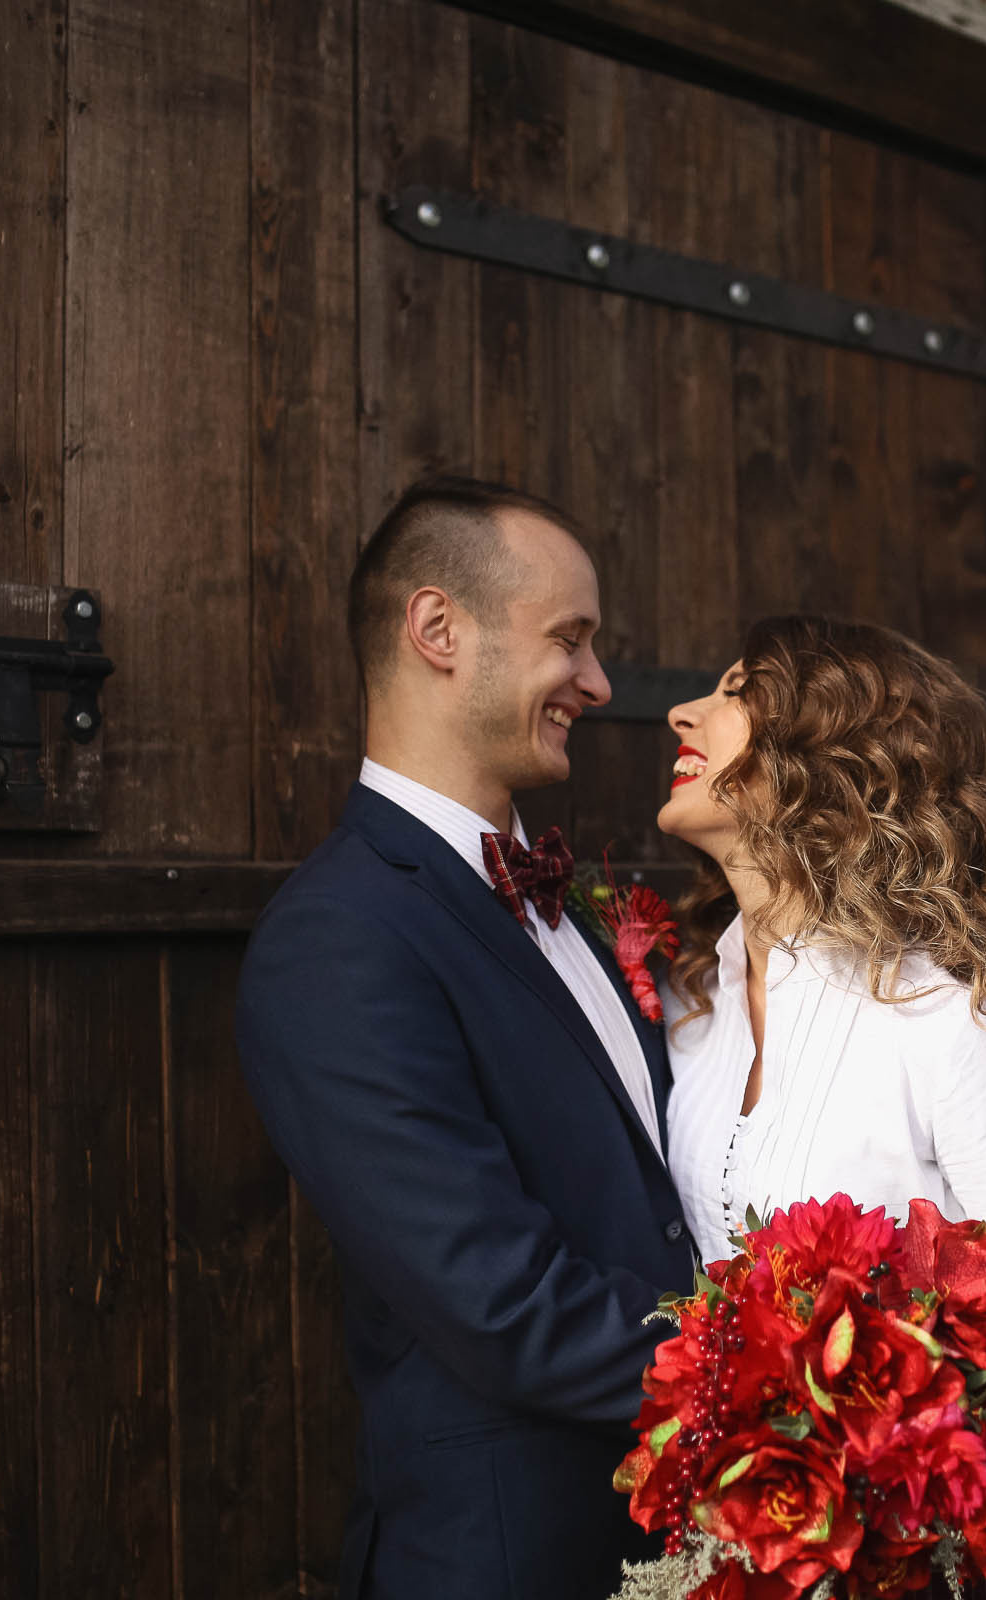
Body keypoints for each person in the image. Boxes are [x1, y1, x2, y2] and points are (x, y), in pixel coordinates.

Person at [237, 476, 693, 1600]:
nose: (598, 681)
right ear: (439, 630)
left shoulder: (568, 901)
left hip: (688, 1532)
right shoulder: (338, 937)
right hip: (518, 1560)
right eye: (570, 640)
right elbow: (502, 1303)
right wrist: (787, 1383)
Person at [655, 614, 986, 1599]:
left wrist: (921, 1526)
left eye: (735, 690)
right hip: (747, 1550)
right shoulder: (690, 1007)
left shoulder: (945, 1016)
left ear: (825, 751)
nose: (681, 711)